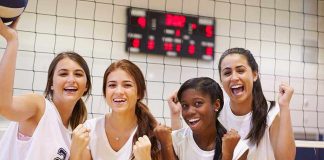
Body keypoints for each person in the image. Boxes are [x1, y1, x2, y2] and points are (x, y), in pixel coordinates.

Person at [168, 48, 296, 159]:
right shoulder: (216, 111)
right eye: (227, 73)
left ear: (255, 74)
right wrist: (175, 114)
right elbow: (185, 144)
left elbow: (286, 158)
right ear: (221, 80)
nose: (234, 78)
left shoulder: (271, 113)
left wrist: (284, 107)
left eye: (240, 71)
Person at [0, 18, 92, 159]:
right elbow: (4, 106)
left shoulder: (75, 136)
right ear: (51, 84)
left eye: (78, 74)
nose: (71, 79)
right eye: (63, 73)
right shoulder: (39, 107)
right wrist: (12, 41)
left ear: (86, 86)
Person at [71, 59, 161, 160]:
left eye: (127, 85)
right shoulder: (89, 129)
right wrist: (75, 151)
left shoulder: (153, 134)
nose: (118, 91)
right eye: (112, 85)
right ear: (105, 93)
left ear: (139, 93)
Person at [154, 77, 249, 160]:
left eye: (198, 103)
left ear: (216, 105)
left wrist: (228, 154)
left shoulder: (237, 148)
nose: (190, 111)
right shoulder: (172, 140)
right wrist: (165, 145)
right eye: (185, 105)